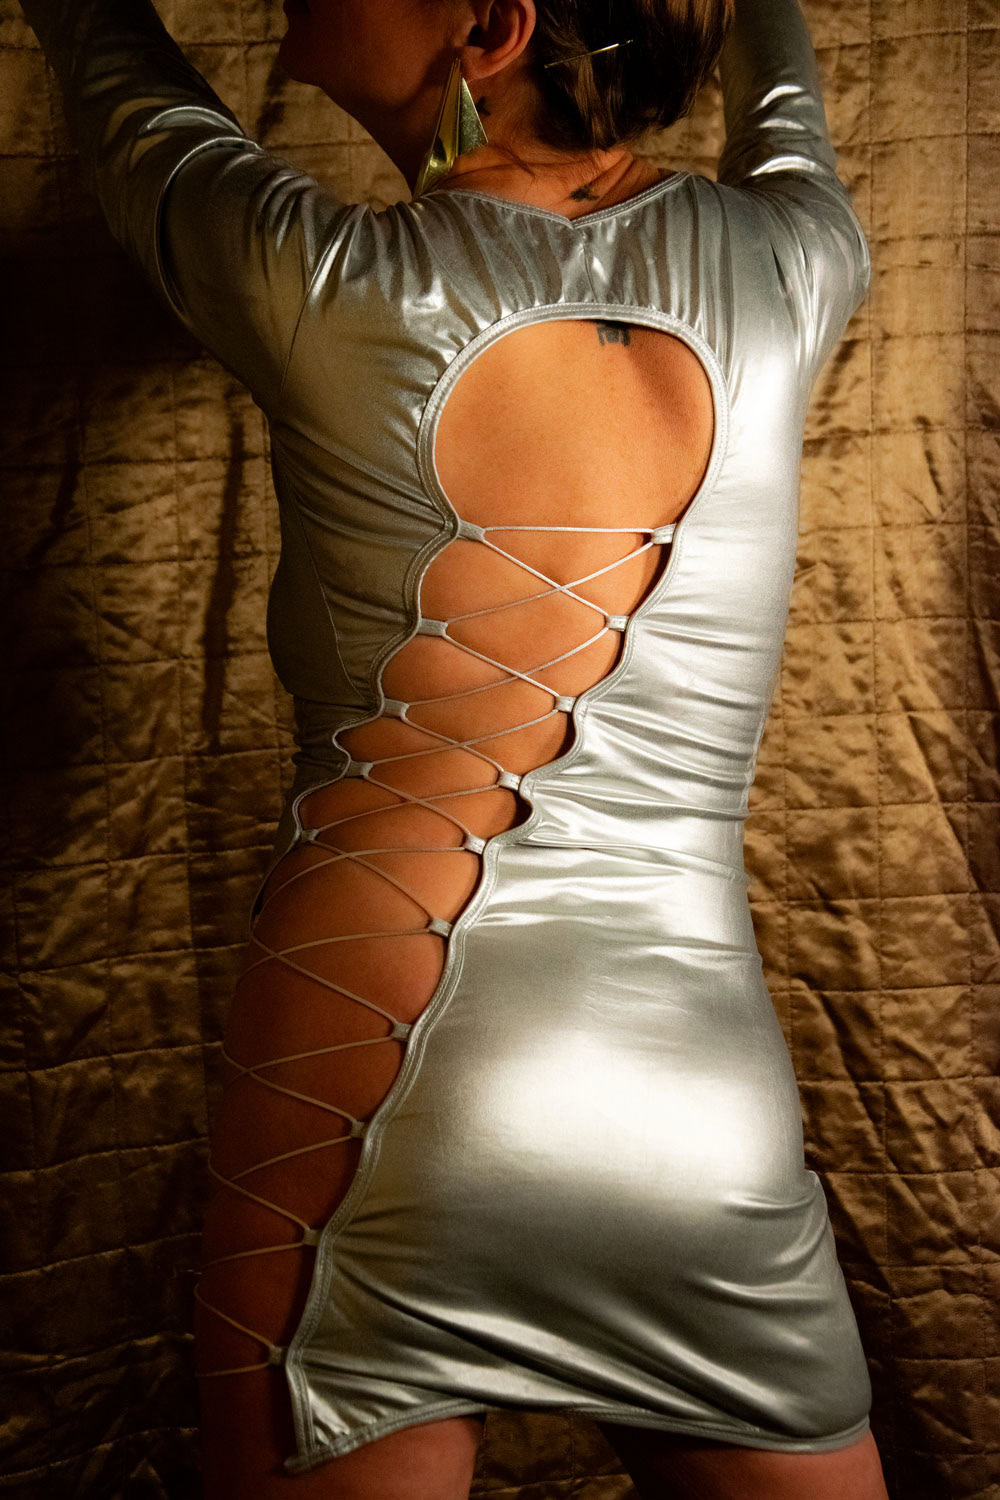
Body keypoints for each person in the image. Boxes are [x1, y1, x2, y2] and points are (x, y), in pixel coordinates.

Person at [16, 0, 890, 1496]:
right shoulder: (798, 257)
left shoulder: (316, 275)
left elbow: (113, 63)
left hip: (365, 1075)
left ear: (491, 22)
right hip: (700, 1097)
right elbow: (783, 95)